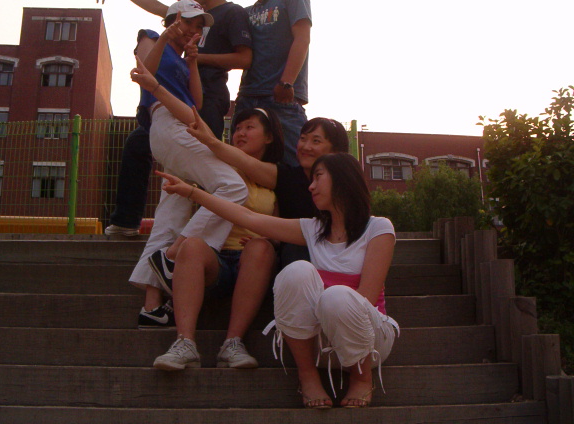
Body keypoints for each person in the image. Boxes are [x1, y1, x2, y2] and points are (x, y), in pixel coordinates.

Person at [155, 152, 399, 409]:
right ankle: (307, 376)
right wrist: (192, 193)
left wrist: (330, 303)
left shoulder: (378, 228)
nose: (311, 186)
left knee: (336, 296)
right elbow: (248, 218)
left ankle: (361, 377)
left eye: (318, 177)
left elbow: (367, 298)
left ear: (342, 179)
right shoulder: (313, 229)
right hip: (323, 344)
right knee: (297, 271)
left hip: (369, 340)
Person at [127, 2, 248, 327]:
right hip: (168, 122)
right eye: (189, 22)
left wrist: (192, 62)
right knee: (233, 186)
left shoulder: (183, 60)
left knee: (170, 216)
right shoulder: (152, 37)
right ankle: (174, 256)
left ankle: (151, 307)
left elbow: (197, 101)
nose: (194, 30)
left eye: (199, 26)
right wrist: (166, 37)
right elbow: (145, 73)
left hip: (179, 125)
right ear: (172, 20)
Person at [152, 107, 284, 370]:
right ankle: (185, 343)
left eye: (249, 127)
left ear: (269, 136)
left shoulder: (274, 176)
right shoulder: (218, 167)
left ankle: (232, 344)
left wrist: (268, 239)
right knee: (191, 245)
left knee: (261, 247)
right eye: (237, 128)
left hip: (253, 263)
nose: (240, 133)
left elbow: (280, 229)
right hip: (216, 259)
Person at [89, 0, 252, 138]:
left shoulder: (231, 12)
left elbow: (244, 59)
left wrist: (196, 58)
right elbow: (156, 6)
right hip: (180, 89)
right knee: (142, 141)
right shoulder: (194, 14)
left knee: (205, 147)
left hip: (209, 93)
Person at [187, 110, 348, 266]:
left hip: (338, 251)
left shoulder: (348, 185)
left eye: (316, 141)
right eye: (303, 139)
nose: (306, 146)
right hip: (294, 258)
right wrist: (209, 141)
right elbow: (246, 162)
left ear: (335, 150)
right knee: (294, 249)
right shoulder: (285, 176)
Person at [232, 0, 312, 166]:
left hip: (280, 97)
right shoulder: (246, 12)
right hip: (247, 97)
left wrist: (286, 82)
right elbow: (216, 11)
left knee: (295, 166)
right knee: (243, 168)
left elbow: (302, 38)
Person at [104, 34, 154, 237]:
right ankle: (126, 221)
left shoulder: (154, 39)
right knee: (137, 143)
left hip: (169, 116)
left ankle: (126, 220)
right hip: (153, 118)